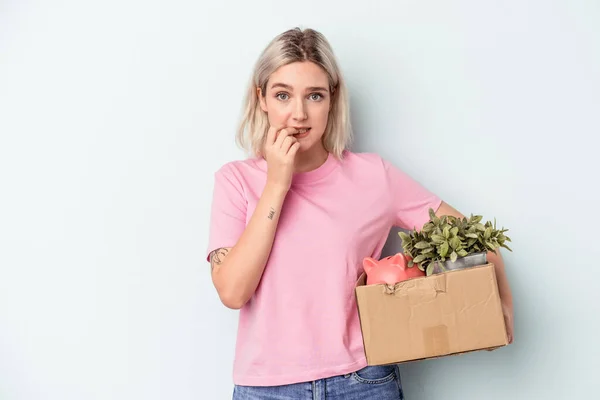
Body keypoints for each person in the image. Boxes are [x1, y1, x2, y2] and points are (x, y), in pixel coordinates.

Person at [206, 27, 514, 400]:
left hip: (362, 382)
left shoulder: (373, 176)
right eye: (283, 95)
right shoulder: (236, 181)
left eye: (314, 96)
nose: (298, 114)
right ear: (262, 98)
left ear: (332, 98)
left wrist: (502, 306)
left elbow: (474, 238)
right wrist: (276, 184)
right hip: (266, 388)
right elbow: (233, 292)